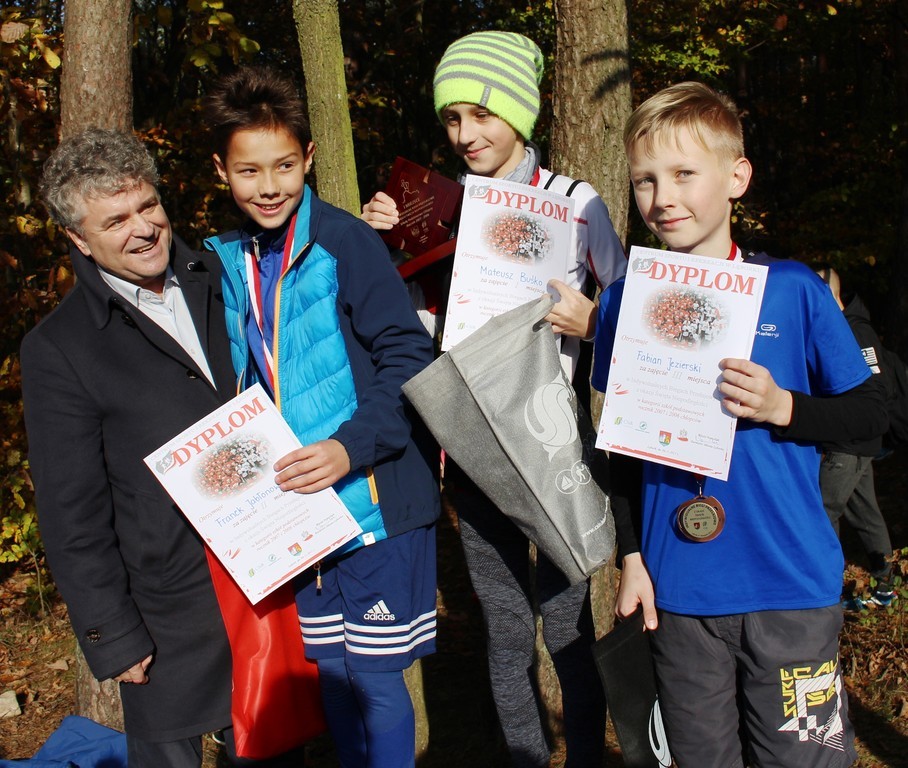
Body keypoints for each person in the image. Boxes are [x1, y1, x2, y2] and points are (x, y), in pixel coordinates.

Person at [593, 82, 888, 767]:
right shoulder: (624, 302)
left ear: (737, 178)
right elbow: (621, 450)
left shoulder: (793, 289)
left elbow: (873, 414)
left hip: (791, 585)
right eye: (645, 180)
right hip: (681, 593)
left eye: (683, 174)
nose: (662, 197)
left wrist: (786, 407)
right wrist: (631, 557)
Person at [363, 31, 627, 768]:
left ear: (520, 114)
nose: (465, 134)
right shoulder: (432, 207)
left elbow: (630, 309)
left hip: (552, 441)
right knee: (506, 629)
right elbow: (405, 329)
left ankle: (586, 758)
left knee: (569, 625)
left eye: (482, 114)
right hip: (472, 448)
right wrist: (382, 247)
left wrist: (594, 320)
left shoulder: (576, 202)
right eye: (452, 118)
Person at [20, 129, 297, 767]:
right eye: (116, 221)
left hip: (270, 566)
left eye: (148, 206)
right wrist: (112, 631)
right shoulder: (60, 348)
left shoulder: (223, 275)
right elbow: (71, 509)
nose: (143, 228)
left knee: (279, 751)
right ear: (79, 239)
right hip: (166, 604)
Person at [202, 67, 440, 768]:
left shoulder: (345, 241)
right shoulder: (229, 258)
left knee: (375, 678)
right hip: (297, 514)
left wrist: (349, 447)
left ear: (308, 158)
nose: (268, 186)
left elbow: (408, 355)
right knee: (331, 673)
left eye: (283, 165)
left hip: (374, 502)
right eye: (249, 170)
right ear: (221, 170)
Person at [814, 265, 895, 610]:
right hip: (856, 442)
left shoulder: (855, 332)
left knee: (822, 512)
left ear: (829, 294)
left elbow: (875, 385)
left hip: (849, 444)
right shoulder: (845, 328)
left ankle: (828, 592)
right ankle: (886, 587)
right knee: (866, 514)